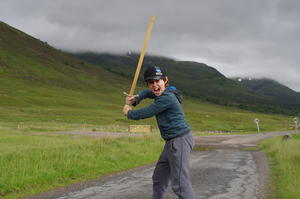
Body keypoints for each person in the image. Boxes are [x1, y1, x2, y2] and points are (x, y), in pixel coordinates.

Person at [123, 66, 196, 199]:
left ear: (165, 80)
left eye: (158, 81)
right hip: (171, 142)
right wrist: (136, 99)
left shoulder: (167, 98)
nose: (155, 85)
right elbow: (147, 93)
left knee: (180, 184)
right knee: (159, 177)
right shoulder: (162, 92)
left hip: (180, 141)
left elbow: (147, 112)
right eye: (151, 82)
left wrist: (129, 112)